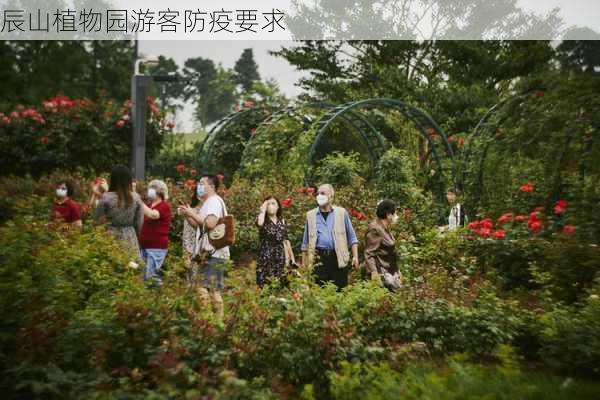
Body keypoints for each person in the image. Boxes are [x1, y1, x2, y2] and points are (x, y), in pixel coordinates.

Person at [178, 174, 230, 319]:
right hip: (211, 252)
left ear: (212, 186)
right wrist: (188, 214)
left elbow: (210, 223)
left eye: (202, 183)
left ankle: (207, 321)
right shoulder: (209, 202)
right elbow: (199, 227)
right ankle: (217, 323)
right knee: (213, 289)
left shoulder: (213, 201)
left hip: (213, 252)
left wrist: (191, 213)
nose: (198, 186)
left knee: (202, 287)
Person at [301, 183, 359, 290]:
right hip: (318, 259)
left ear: (331, 196)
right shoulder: (311, 215)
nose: (319, 196)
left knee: (340, 292)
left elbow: (352, 238)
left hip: (338, 258)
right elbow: (305, 244)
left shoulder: (342, 213)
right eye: (318, 193)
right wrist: (305, 267)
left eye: (322, 193)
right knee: (319, 292)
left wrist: (355, 257)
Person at [94, 165, 144, 265]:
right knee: (131, 270)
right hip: (130, 238)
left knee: (110, 268)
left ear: (113, 179)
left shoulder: (106, 198)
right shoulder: (136, 198)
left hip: (110, 238)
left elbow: (97, 222)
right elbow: (139, 224)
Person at [256, 196, 296, 287]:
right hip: (265, 259)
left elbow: (286, 240)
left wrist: (292, 260)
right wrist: (262, 210)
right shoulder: (262, 219)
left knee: (281, 288)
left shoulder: (282, 221)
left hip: (280, 259)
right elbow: (259, 224)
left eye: (273, 203)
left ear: (278, 206)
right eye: (268, 204)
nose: (271, 206)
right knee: (266, 288)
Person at [139, 179, 172, 287]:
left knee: (151, 277)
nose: (149, 191)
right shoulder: (149, 205)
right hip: (145, 246)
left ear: (159, 192)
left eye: (152, 189)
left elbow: (153, 215)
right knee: (144, 278)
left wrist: (138, 201)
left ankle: (163, 296)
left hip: (156, 247)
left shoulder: (164, 206)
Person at [364, 199, 401, 291]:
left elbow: (390, 252)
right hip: (380, 275)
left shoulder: (385, 228)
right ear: (388, 214)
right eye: (394, 213)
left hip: (390, 273)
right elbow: (369, 253)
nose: (396, 216)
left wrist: (397, 270)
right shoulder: (375, 229)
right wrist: (374, 272)